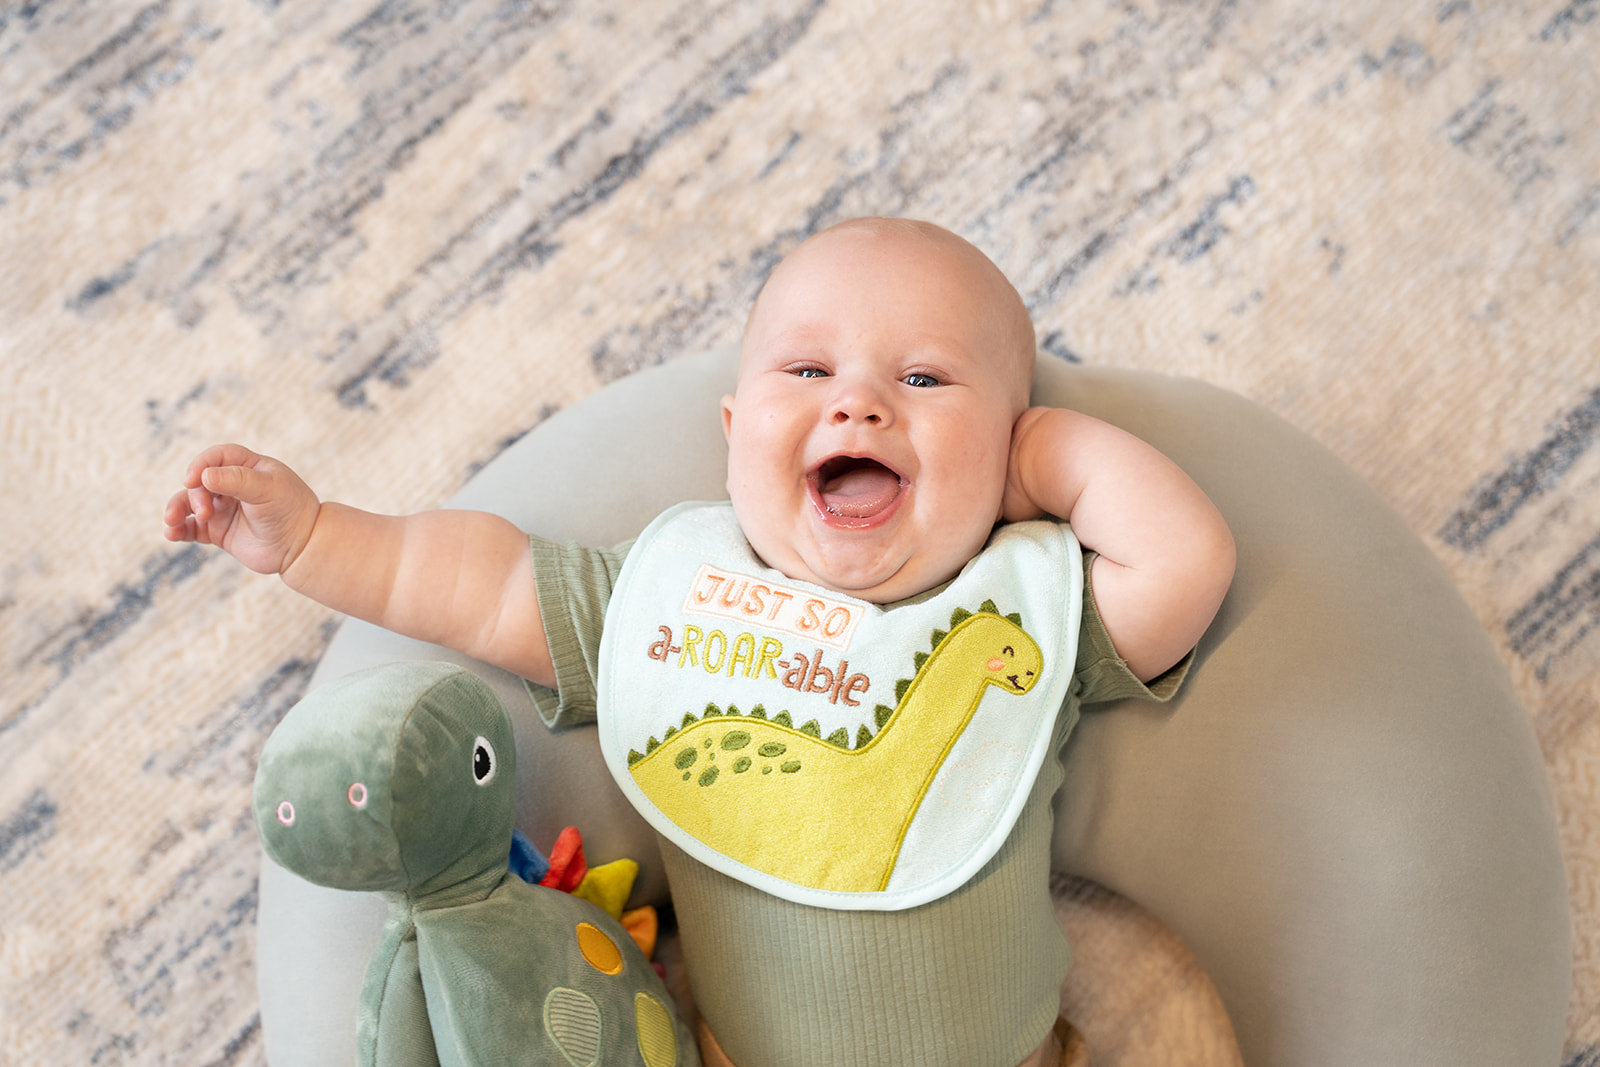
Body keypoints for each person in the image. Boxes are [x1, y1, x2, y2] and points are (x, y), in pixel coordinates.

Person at [165, 217, 1235, 1066]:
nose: (858, 402)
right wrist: (312, 537)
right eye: (806, 372)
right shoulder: (675, 600)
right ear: (733, 437)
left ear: (1003, 445)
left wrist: (1050, 455)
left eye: (924, 380)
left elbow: (1183, 563)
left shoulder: (1019, 610)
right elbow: (478, 586)